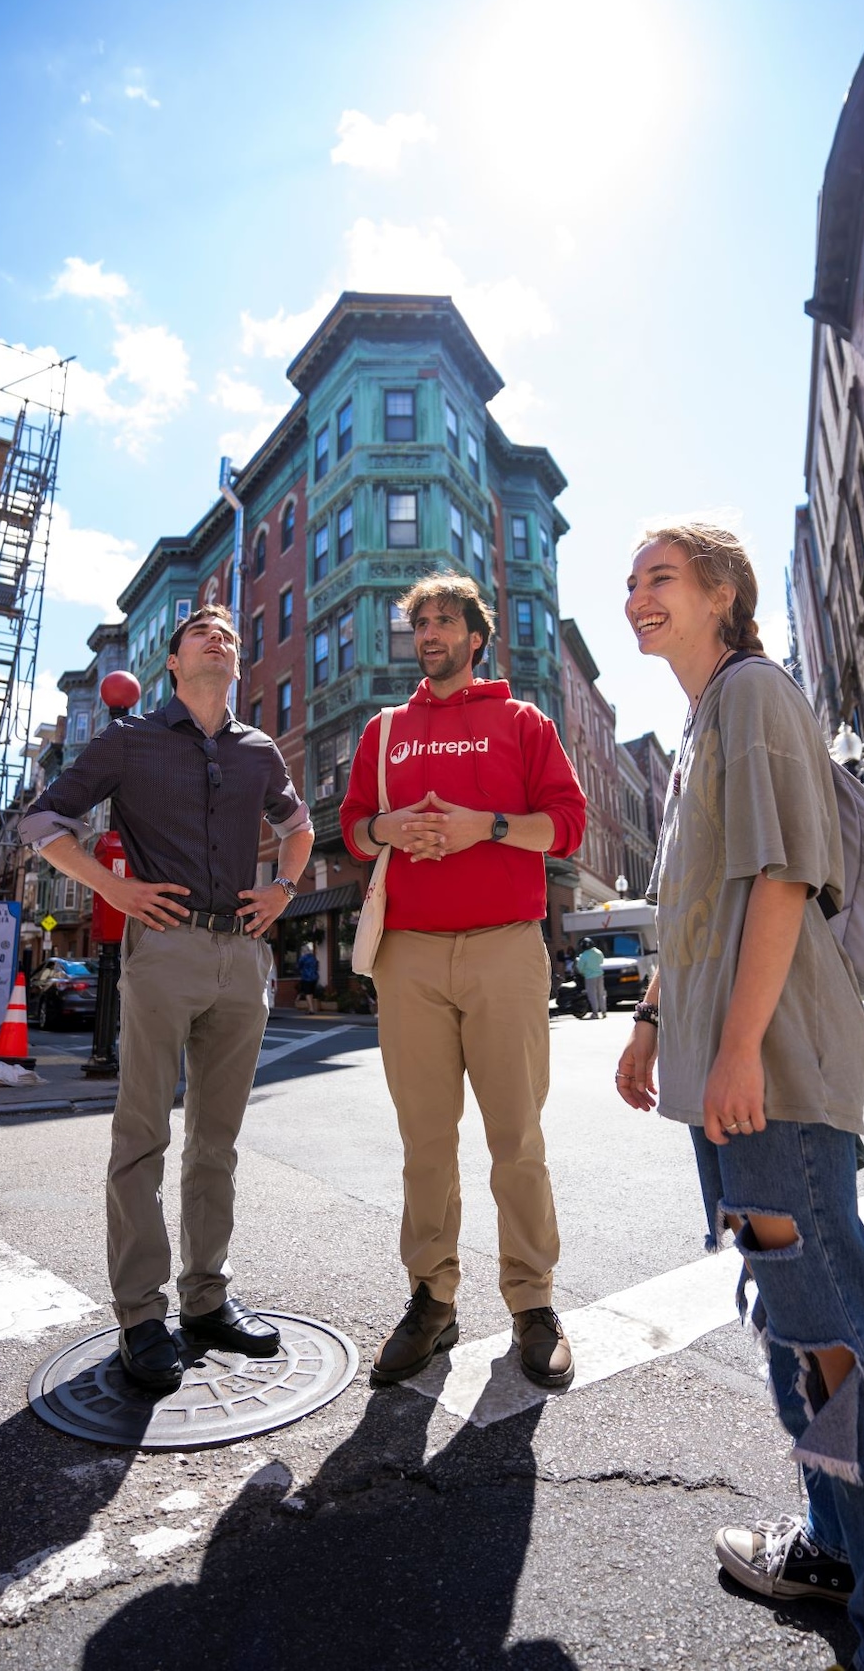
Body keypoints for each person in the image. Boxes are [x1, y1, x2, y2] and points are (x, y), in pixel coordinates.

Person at [615, 522, 864, 1671]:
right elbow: (695, 908)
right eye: (630, 583)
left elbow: (783, 876)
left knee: (841, 1341)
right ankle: (830, 1546)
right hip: (732, 1075)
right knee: (792, 1326)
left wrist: (738, 1047)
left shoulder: (757, 691)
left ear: (723, 593)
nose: (635, 596)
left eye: (658, 577)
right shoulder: (702, 721)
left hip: (775, 1074)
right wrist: (658, 1022)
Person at [20, 605, 314, 1392]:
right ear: (174, 667)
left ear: (237, 667)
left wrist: (282, 891)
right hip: (165, 946)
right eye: (202, 635)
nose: (219, 640)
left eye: (230, 636)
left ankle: (207, 1299)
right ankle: (142, 1316)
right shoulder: (129, 740)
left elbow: (299, 826)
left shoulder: (258, 751)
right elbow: (43, 818)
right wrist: (112, 886)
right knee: (142, 1135)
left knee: (216, 1141)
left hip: (242, 955)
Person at [340, 575, 587, 1390]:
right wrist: (389, 828)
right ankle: (431, 1299)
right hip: (409, 954)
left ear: (477, 636)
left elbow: (567, 826)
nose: (431, 633)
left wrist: (491, 827)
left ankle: (534, 1302)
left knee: (517, 1137)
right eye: (420, 623)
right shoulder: (385, 730)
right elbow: (351, 828)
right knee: (424, 1141)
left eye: (446, 620)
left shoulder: (522, 722)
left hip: (505, 949)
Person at [574, 936, 606, 1018]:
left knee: (592, 995)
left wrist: (583, 972)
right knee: (601, 993)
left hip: (589, 977)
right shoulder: (598, 952)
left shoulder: (583, 955)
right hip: (599, 974)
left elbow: (580, 967)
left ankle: (595, 1013)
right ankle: (603, 1011)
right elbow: (601, 961)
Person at [295, 943, 320, 1014]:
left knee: (307, 993)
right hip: (314, 977)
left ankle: (311, 1009)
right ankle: (311, 1008)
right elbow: (317, 965)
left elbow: (298, 966)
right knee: (311, 993)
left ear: (303, 951)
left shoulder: (303, 958)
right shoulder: (313, 957)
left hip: (306, 977)